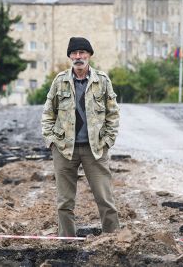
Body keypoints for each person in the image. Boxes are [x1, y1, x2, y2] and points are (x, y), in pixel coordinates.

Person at [41, 37, 120, 237]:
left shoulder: (102, 80)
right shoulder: (60, 81)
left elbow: (113, 113)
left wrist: (108, 141)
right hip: (64, 150)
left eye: (82, 53)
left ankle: (113, 241)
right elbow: (48, 113)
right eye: (74, 53)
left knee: (105, 199)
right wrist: (51, 141)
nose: (78, 57)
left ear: (89, 55)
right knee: (64, 202)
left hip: (95, 149)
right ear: (69, 56)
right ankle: (67, 243)